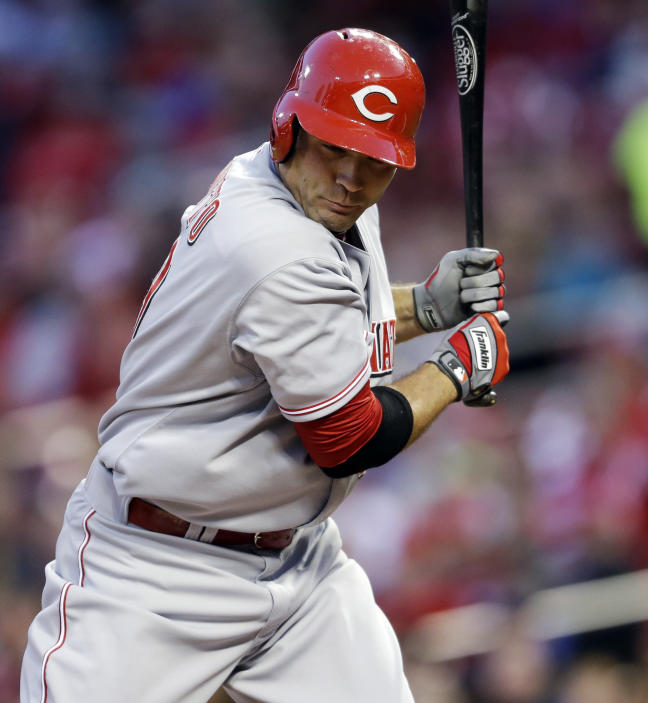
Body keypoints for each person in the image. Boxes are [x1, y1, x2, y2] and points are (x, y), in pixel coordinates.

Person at [20, 28, 509, 703]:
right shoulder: (273, 246)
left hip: (300, 565)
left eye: (373, 158)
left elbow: (325, 324)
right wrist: (458, 368)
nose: (350, 175)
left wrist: (425, 306)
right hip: (155, 572)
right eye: (334, 145)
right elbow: (350, 438)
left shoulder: (308, 194)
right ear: (290, 125)